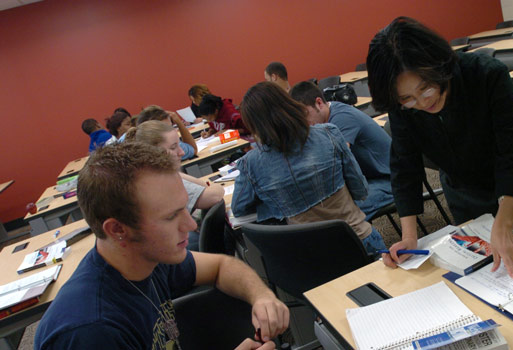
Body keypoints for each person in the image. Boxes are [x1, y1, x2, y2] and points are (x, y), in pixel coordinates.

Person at [34, 142, 288, 349]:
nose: (190, 225)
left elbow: (222, 265)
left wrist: (261, 296)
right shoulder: (91, 332)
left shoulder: (143, 257)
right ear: (117, 229)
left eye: (184, 209)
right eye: (170, 217)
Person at [366, 17, 513, 276]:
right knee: (481, 274)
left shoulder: (486, 75)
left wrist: (504, 221)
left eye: (425, 89)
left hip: (512, 187)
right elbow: (405, 165)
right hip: (462, 190)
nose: (422, 103)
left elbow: (512, 153)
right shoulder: (402, 107)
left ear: (438, 64)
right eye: (408, 99)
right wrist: (409, 237)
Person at [231, 82, 387, 255]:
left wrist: (279, 204)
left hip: (310, 260)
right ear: (289, 104)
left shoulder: (250, 163)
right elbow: (360, 190)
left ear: (254, 125)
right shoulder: (330, 133)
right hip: (360, 242)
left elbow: (238, 208)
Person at [290, 81, 394, 220]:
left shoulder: (342, 118)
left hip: (391, 180)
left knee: (341, 212)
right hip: (369, 179)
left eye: (305, 114)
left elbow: (335, 165)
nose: (304, 122)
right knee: (327, 209)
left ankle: (367, 240)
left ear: (319, 103)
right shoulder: (324, 121)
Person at [125, 120, 225, 251]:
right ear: (152, 153)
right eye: (173, 147)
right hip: (182, 248)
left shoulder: (151, 175)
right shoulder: (161, 180)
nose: (181, 152)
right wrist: (215, 186)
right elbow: (213, 196)